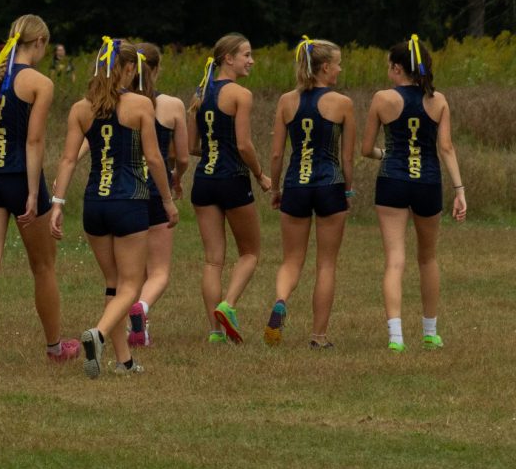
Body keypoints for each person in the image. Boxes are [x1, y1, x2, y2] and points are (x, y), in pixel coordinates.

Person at [51, 37, 178, 378]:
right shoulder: (139, 105)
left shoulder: (81, 108)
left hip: (94, 205)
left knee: (113, 284)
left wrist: (57, 204)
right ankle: (99, 334)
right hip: (129, 203)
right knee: (131, 286)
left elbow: (67, 160)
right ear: (125, 69)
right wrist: (167, 201)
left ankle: (124, 362)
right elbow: (154, 158)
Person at [0, 14, 80, 371]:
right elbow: (34, 141)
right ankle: (55, 346)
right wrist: (32, 192)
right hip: (20, 180)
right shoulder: (40, 83)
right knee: (43, 266)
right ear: (40, 43)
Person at [362, 35, 466, 352]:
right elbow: (445, 148)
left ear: (397, 68)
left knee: (395, 260)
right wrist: (460, 190)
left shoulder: (382, 99)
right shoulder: (439, 101)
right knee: (428, 258)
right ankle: (430, 332)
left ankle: (396, 336)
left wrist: (385, 155)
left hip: (392, 181)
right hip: (428, 183)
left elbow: (365, 149)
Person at [264, 37, 356, 348]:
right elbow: (346, 157)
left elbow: (277, 155)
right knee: (326, 263)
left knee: (291, 260)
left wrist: (275, 188)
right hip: (330, 185)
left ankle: (280, 300)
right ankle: (318, 337)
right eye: (338, 64)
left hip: (296, 186)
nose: (340, 70)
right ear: (326, 67)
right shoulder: (342, 103)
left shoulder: (286, 101)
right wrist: (349, 190)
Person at [188, 33, 272, 344]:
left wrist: (212, 150)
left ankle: (215, 332)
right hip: (233, 179)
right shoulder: (239, 94)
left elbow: (189, 146)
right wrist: (261, 175)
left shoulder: (200, 92)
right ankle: (229, 304)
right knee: (250, 252)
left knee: (213, 260)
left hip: (203, 182)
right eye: (246, 55)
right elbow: (244, 145)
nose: (251, 60)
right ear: (228, 59)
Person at [127, 42, 189, 347]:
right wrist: (176, 178)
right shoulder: (172, 105)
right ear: (157, 68)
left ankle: (136, 327)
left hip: (124, 191)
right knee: (160, 271)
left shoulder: (118, 103)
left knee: (132, 270)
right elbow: (184, 157)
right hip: (155, 191)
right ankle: (143, 309)